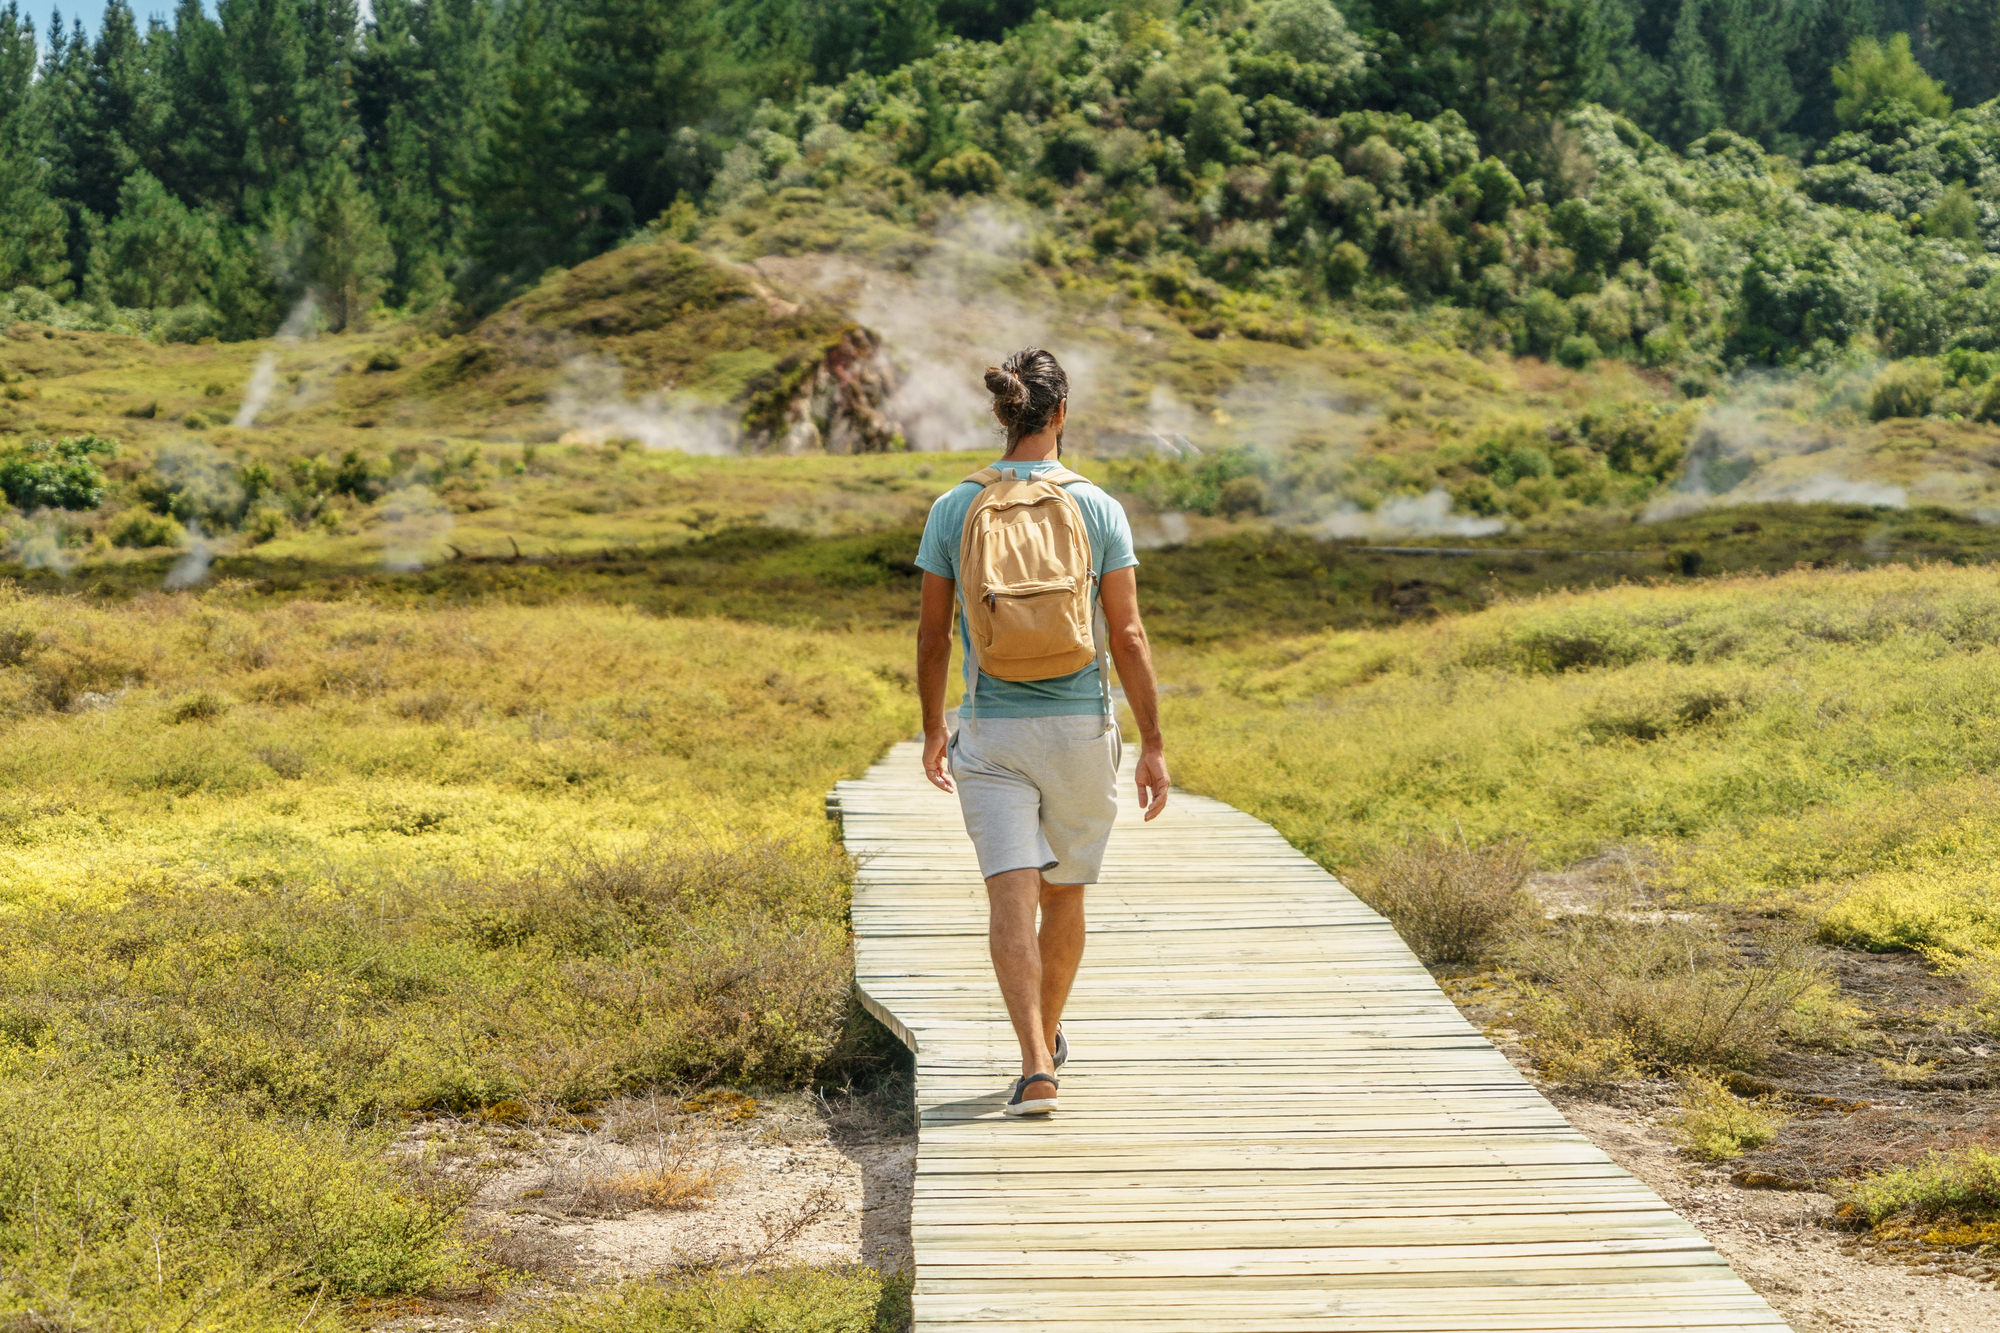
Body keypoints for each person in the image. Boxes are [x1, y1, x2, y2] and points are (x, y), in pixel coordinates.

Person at [914, 346, 1170, 1118]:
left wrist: (934, 728)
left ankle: (1033, 1063)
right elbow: (1127, 635)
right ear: (1061, 414)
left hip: (991, 729)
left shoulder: (955, 507)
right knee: (1062, 896)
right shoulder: (1098, 506)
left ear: (1003, 413)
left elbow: (931, 636)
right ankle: (1048, 1038)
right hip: (1080, 731)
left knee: (1007, 898)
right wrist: (1153, 743)